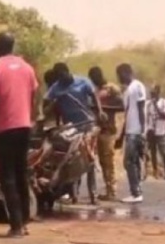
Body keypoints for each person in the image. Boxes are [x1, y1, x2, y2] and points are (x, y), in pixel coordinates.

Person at [0, 32, 38, 237]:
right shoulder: (27, 68)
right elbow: (33, 96)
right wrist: (30, 118)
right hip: (24, 126)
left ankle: (15, 225)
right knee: (21, 173)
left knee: (7, 177)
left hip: (4, 129)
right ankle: (24, 222)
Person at [44, 62, 105, 204]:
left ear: (67, 72)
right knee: (72, 159)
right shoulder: (56, 87)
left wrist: (100, 111)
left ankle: (93, 195)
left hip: (88, 124)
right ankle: (74, 194)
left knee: (89, 158)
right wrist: (53, 105)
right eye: (58, 78)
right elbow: (46, 101)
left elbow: (94, 95)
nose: (61, 80)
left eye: (62, 76)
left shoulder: (83, 81)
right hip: (71, 128)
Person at [88, 66, 124, 201]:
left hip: (109, 129)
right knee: (102, 162)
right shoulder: (95, 90)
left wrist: (105, 109)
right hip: (98, 129)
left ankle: (112, 190)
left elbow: (122, 105)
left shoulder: (111, 89)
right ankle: (108, 189)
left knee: (109, 160)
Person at [115, 63, 146, 203]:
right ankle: (137, 190)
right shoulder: (128, 90)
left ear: (126, 73)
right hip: (130, 131)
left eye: (120, 74)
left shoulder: (137, 86)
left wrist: (143, 130)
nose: (119, 78)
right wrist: (121, 135)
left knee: (129, 162)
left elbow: (141, 108)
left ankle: (136, 193)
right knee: (133, 162)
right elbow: (127, 113)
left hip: (136, 131)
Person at [145, 85, 165, 179]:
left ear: (158, 93)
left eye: (154, 94)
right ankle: (155, 172)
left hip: (161, 131)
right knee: (152, 153)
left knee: (164, 153)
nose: (152, 96)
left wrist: (156, 105)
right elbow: (147, 117)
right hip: (151, 131)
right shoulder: (148, 104)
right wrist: (147, 129)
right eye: (151, 94)